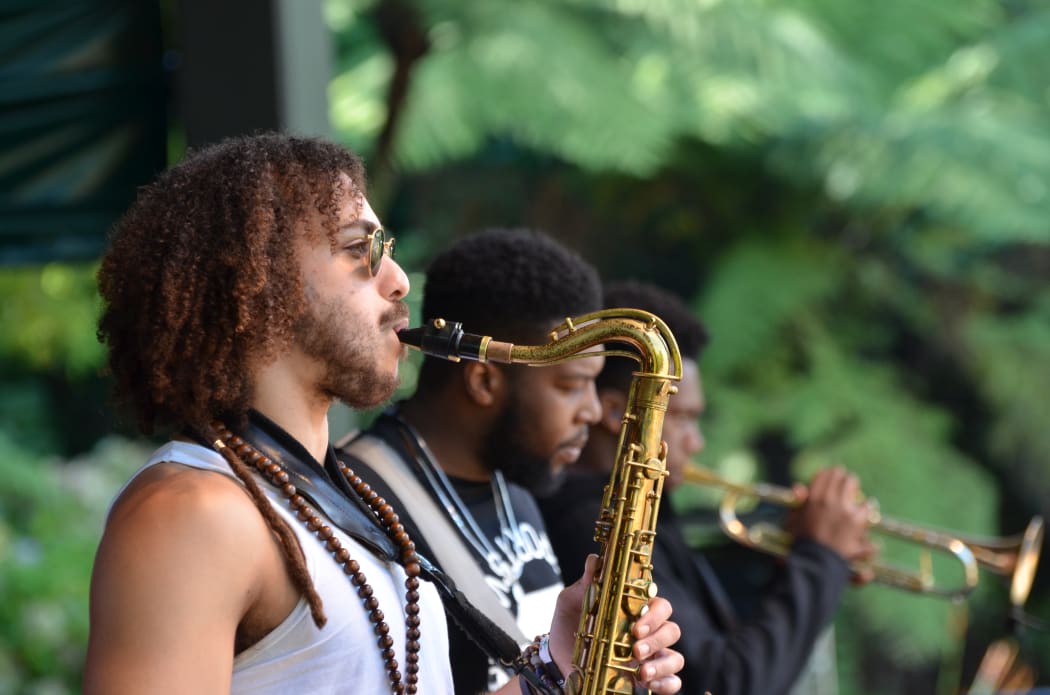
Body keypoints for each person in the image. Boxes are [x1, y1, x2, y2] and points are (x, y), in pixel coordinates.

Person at [83, 134, 684, 695]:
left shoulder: (330, 497)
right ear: (258, 281)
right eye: (356, 249)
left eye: (386, 250)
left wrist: (559, 664)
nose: (398, 281)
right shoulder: (191, 513)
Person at [539, 280, 875, 695]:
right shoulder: (591, 523)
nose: (695, 442)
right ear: (617, 411)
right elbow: (730, 681)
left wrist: (799, 562)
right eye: (682, 417)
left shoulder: (647, 513)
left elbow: (725, 640)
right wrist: (820, 560)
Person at [338, 228, 617, 693]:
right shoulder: (358, 501)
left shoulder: (517, 486)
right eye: (570, 386)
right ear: (484, 383)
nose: (591, 410)